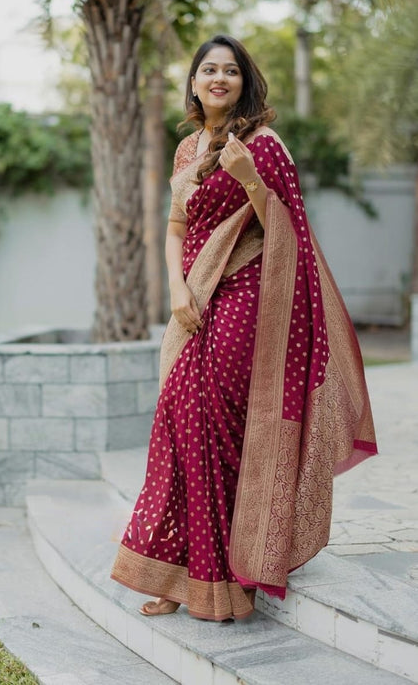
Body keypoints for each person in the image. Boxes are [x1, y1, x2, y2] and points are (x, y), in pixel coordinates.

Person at [110, 34, 377, 621]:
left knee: (222, 426)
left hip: (248, 297)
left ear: (244, 82)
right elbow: (176, 228)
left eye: (231, 71)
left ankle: (235, 572)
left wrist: (249, 176)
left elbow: (289, 232)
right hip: (195, 299)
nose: (220, 79)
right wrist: (178, 289)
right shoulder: (186, 150)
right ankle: (180, 573)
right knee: (181, 424)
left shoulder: (265, 145)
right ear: (195, 81)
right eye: (210, 69)